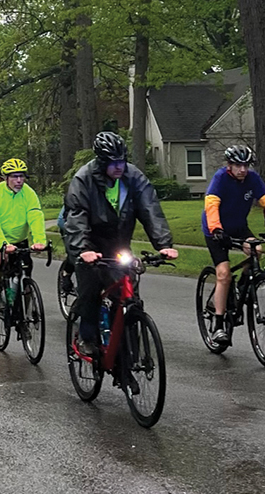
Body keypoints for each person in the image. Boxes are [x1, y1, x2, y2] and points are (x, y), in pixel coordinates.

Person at [64, 131, 179, 357]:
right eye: (113, 163)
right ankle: (87, 337)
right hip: (89, 242)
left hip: (118, 242)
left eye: (122, 161)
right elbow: (76, 217)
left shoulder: (133, 177)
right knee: (90, 290)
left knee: (128, 296)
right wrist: (83, 250)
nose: (119, 167)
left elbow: (150, 209)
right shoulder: (83, 179)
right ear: (101, 162)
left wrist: (163, 243)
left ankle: (128, 350)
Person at [202, 145, 265, 345]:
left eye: (245, 165)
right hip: (215, 229)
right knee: (224, 274)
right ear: (229, 165)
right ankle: (218, 325)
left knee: (256, 250)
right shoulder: (220, 179)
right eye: (237, 165)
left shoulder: (253, 179)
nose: (242, 169)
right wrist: (217, 230)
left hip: (238, 227)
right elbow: (211, 206)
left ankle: (242, 287)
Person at [0, 158, 48, 307]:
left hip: (19, 238)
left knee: (26, 268)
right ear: (6, 178)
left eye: (21, 176)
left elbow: (35, 215)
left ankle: (24, 313)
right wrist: (3, 244)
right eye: (14, 176)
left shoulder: (29, 194)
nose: (19, 180)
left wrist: (39, 240)